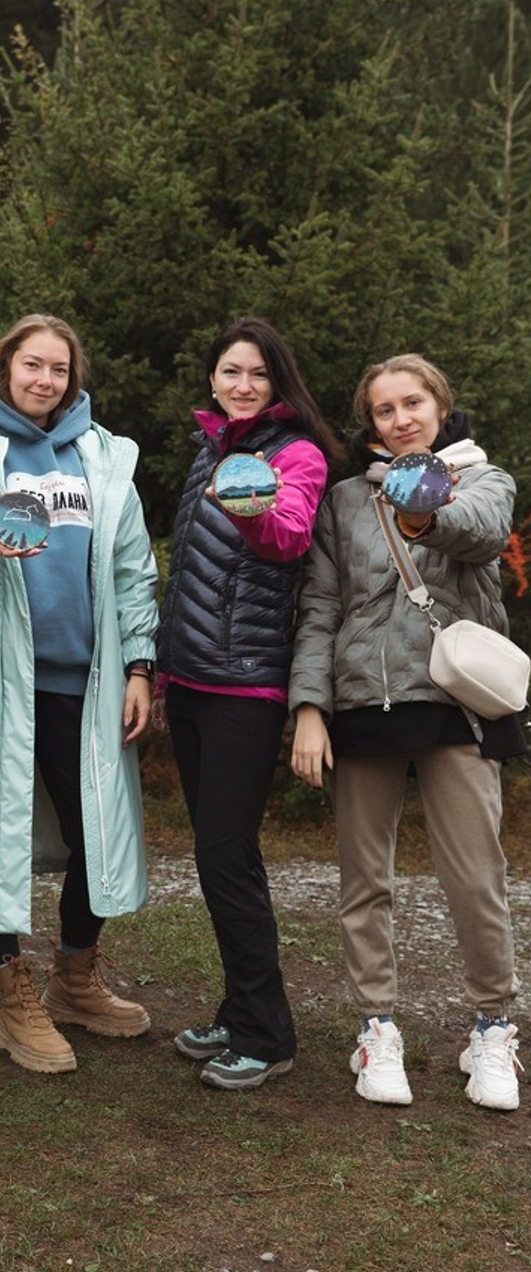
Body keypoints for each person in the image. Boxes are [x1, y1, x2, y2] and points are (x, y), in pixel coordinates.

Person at [0, 313, 160, 1075]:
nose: (46, 380)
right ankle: (13, 996)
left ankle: (75, 976)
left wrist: (140, 665)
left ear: (71, 378)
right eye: (32, 365)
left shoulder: (104, 455)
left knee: (98, 836)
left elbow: (131, 566)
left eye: (59, 369)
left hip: (83, 680)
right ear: (5, 367)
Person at [290, 354, 524, 1111]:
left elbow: (482, 535)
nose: (400, 417)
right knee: (366, 882)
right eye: (384, 409)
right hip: (363, 702)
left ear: (438, 404)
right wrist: (309, 709)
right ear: (372, 422)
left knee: (475, 878)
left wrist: (423, 511)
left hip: (456, 704)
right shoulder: (344, 501)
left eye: (412, 402)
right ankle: (377, 1026)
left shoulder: (481, 478)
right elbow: (322, 607)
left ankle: (492, 1029)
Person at [158, 316, 342, 1090]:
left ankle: (267, 1036)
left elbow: (289, 538)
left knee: (225, 858)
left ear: (279, 383)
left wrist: (256, 508)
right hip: (193, 682)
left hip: (246, 685)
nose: (243, 385)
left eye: (258, 374)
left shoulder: (292, 454)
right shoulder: (211, 452)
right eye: (231, 371)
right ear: (212, 378)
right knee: (221, 856)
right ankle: (239, 1012)